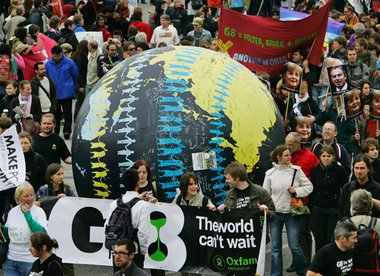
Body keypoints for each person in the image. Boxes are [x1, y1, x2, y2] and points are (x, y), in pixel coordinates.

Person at [263, 145, 313, 276]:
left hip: (292, 213)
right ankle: (275, 274)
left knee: (294, 246)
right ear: (278, 157)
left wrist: (297, 191)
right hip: (276, 214)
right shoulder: (270, 174)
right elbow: (265, 194)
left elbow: (309, 186)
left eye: (289, 155)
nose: (289, 157)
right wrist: (267, 209)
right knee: (275, 248)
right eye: (286, 155)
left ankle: (303, 272)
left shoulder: (296, 171)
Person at [105, 169, 152, 269]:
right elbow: (143, 233)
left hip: (117, 252)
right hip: (133, 252)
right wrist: (142, 252)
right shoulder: (143, 206)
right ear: (138, 184)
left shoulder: (115, 204)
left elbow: (106, 227)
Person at [2, 182, 47, 276]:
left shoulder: (39, 212)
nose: (30, 198)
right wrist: (1, 229)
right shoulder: (12, 212)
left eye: (31, 195)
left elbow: (42, 233)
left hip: (30, 261)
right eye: (26, 196)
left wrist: (28, 215)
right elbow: (8, 235)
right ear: (18, 198)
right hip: (11, 261)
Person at [309, 145, 348, 253]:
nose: (326, 158)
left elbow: (345, 189)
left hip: (333, 208)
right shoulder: (316, 170)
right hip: (318, 208)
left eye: (329, 156)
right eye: (324, 156)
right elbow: (312, 190)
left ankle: (330, 264)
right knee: (319, 239)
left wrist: (342, 209)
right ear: (320, 157)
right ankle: (319, 263)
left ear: (333, 157)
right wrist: (310, 209)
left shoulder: (339, 170)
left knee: (330, 239)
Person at [45, 45, 79, 140]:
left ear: (61, 54)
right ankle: (56, 131)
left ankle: (67, 131)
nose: (56, 58)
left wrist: (69, 84)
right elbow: (46, 77)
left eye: (58, 56)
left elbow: (75, 75)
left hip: (66, 92)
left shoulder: (69, 62)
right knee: (56, 113)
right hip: (54, 93)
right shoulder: (48, 64)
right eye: (55, 56)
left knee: (67, 113)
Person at [338, 154, 380, 218]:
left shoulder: (377, 188)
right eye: (356, 168)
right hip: (350, 225)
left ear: (368, 169)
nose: (359, 171)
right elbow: (341, 209)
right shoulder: (347, 187)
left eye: (362, 168)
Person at [71, 40, 88, 121]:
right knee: (80, 101)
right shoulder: (81, 58)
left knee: (79, 101)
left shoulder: (76, 56)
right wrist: (81, 85)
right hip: (80, 83)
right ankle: (77, 118)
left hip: (76, 82)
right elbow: (79, 72)